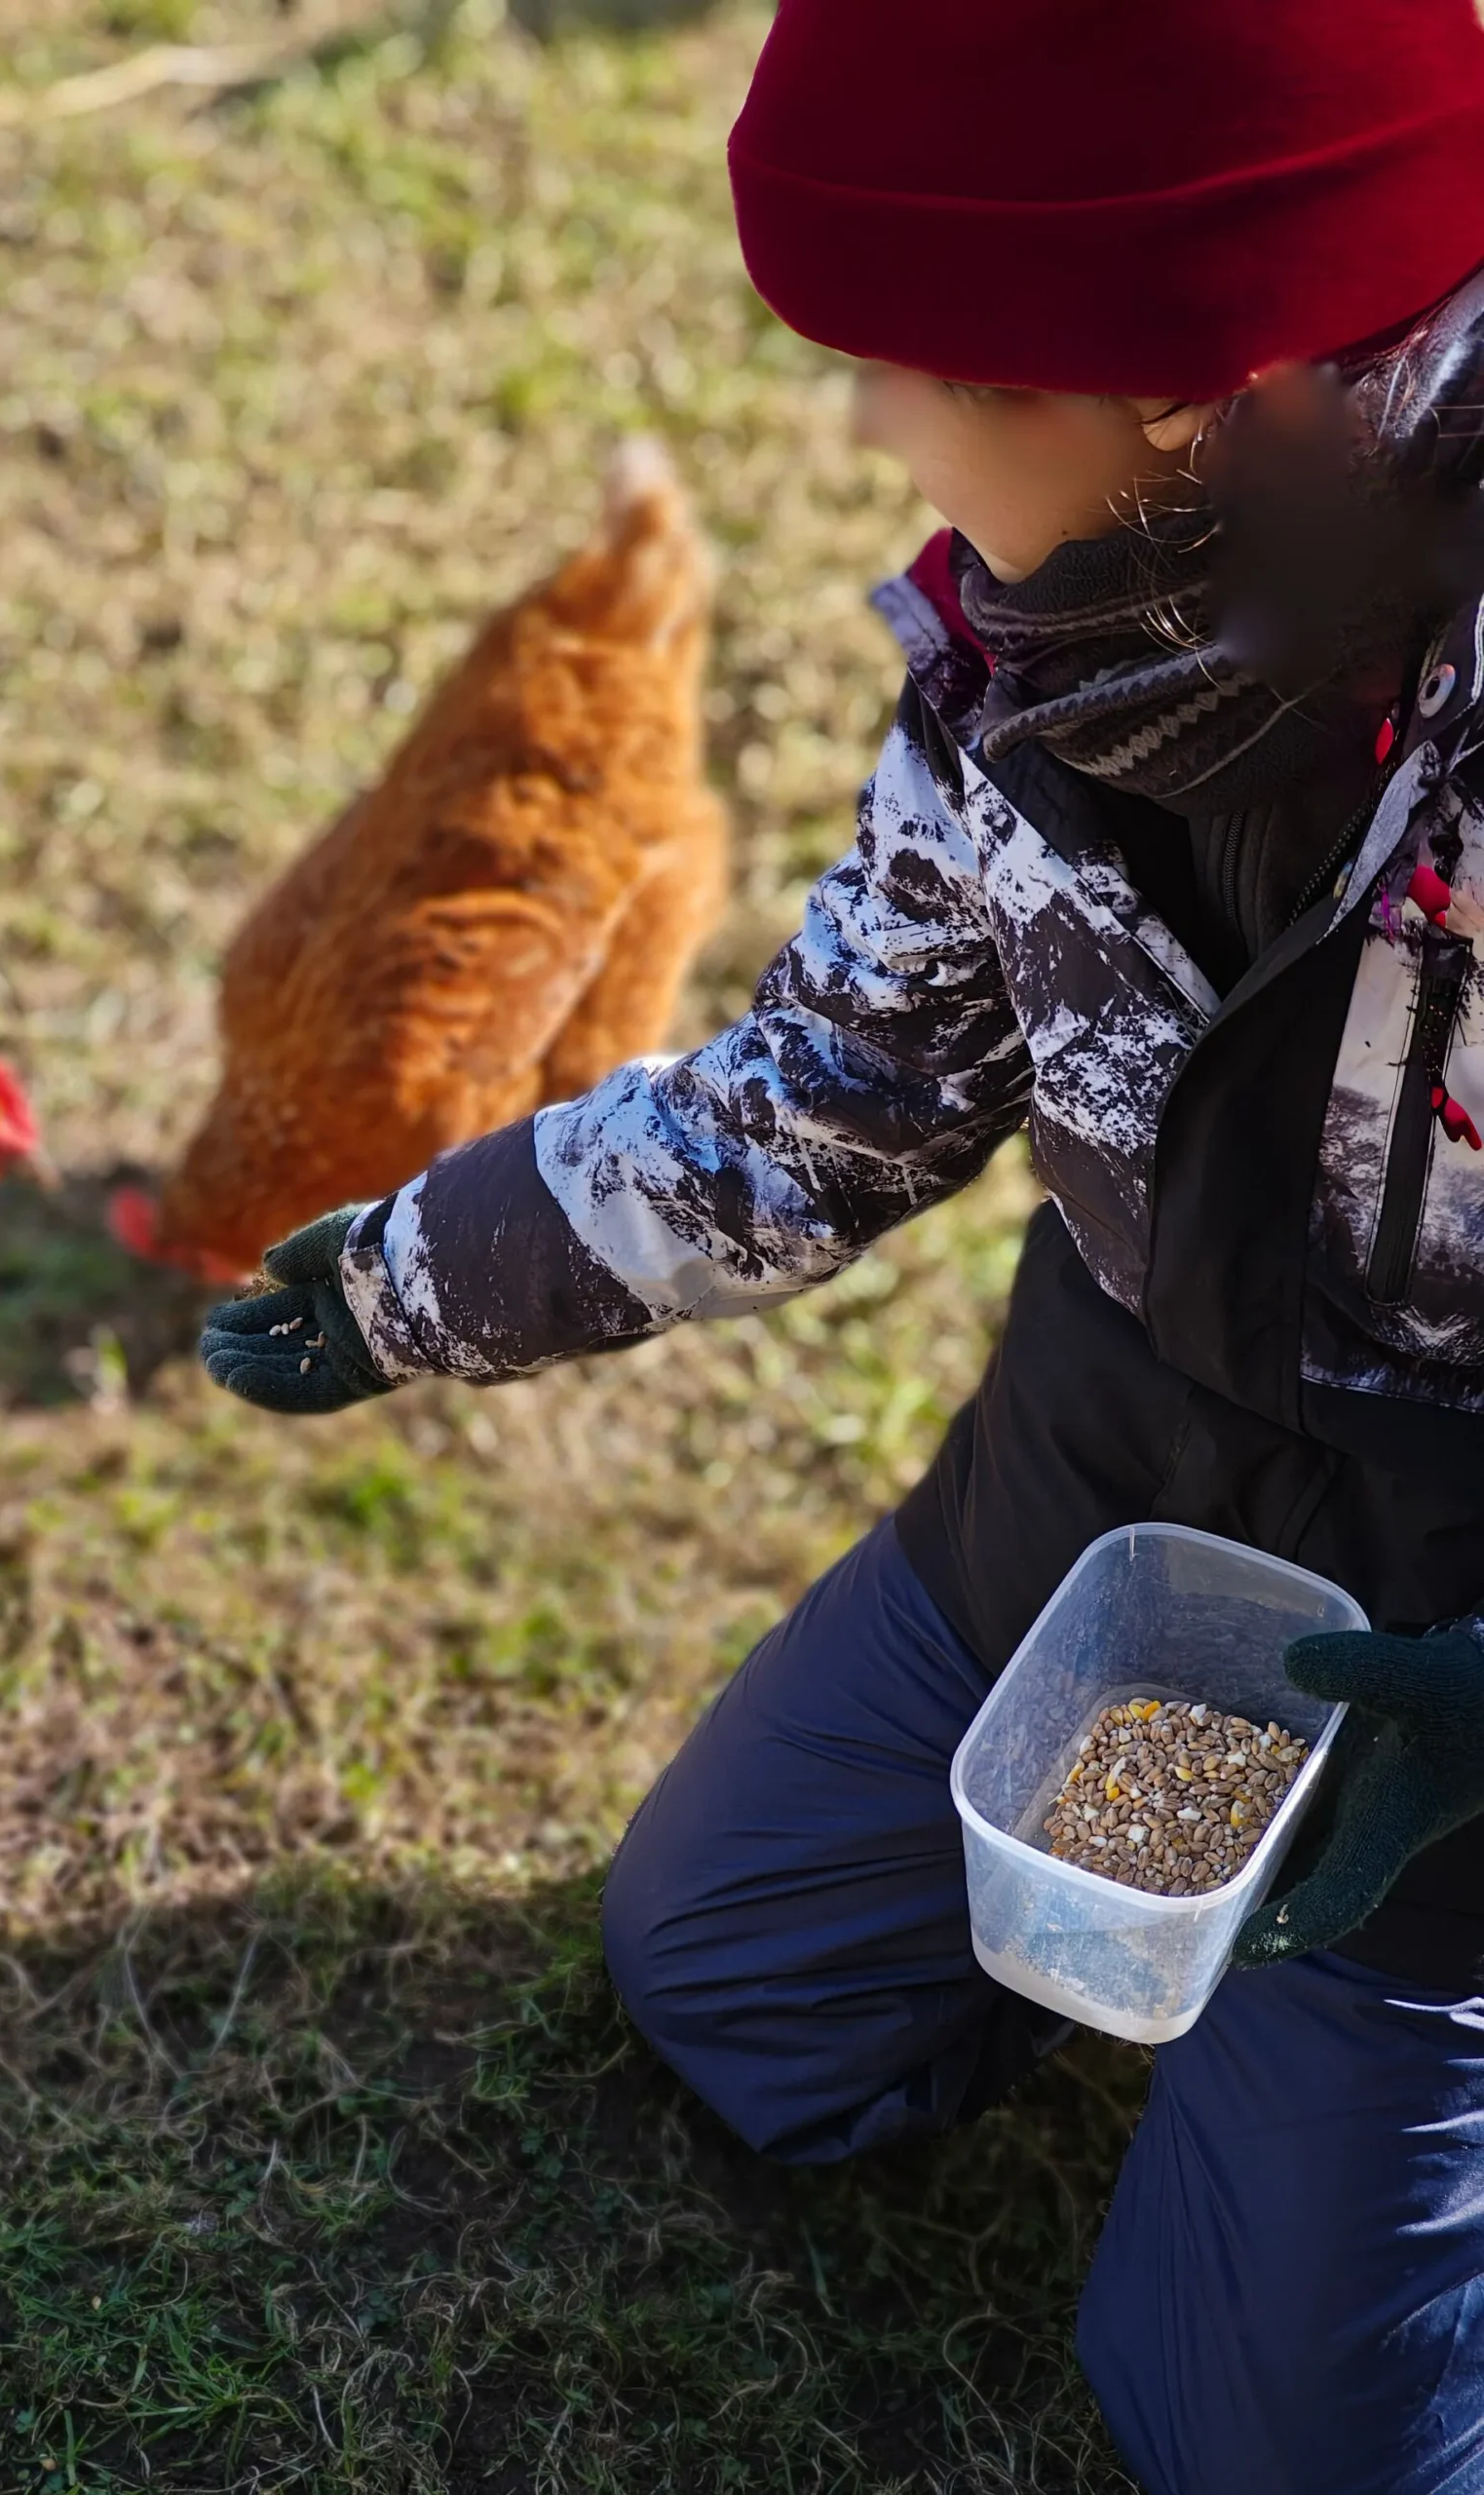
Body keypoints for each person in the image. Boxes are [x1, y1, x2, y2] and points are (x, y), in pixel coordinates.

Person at [201, 4, 1484, 2485]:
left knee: (1269, 2438)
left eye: (916, 365)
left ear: (1192, 377)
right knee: (735, 1983)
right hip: (1105, 1486)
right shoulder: (1051, 638)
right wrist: (410, 1273)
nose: (877, 427)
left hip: (1448, 1651)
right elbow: (832, 1096)